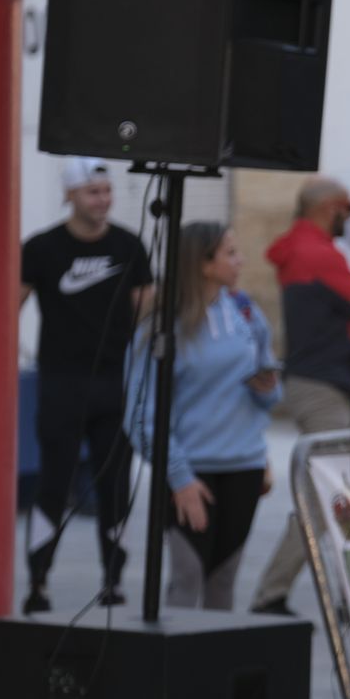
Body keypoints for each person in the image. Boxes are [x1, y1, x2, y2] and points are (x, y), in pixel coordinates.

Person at [250, 176, 350, 615]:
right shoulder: (318, 253)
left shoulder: (300, 251)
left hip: (320, 385)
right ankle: (291, 594)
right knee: (335, 489)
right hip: (322, 388)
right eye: (347, 209)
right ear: (328, 208)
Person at [18, 157, 155, 614]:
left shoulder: (129, 246)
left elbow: (144, 305)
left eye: (107, 190)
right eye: (92, 192)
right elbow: (10, 303)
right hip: (60, 384)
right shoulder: (41, 249)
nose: (102, 199)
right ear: (70, 195)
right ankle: (38, 581)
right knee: (53, 482)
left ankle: (113, 581)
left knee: (114, 482)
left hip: (113, 385)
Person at [126, 222, 281, 610]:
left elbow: (268, 390)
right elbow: (140, 415)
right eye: (230, 253)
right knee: (186, 579)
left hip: (243, 468)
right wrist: (179, 476)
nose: (241, 260)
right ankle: (174, 670)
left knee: (223, 582)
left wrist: (268, 391)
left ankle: (214, 671)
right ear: (203, 264)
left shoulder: (245, 312)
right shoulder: (160, 329)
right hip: (191, 472)